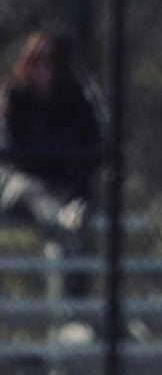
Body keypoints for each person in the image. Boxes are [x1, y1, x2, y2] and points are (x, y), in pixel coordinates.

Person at [0, 31, 104, 300]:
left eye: (51, 62)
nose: (44, 70)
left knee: (76, 216)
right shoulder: (15, 96)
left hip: (64, 187)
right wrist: (51, 165)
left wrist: (66, 176)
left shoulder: (75, 99)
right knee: (38, 195)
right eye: (38, 62)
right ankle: (61, 219)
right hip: (20, 186)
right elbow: (11, 153)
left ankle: (70, 307)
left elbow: (92, 149)